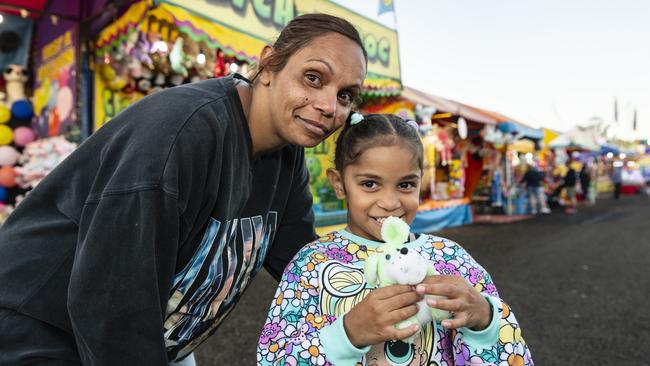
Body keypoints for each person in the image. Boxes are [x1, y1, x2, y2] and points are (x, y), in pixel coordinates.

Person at [0, 13, 367, 365]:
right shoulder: (180, 135)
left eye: (346, 95)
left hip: (147, 340)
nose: (328, 106)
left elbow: (305, 266)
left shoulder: (287, 158)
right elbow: (112, 306)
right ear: (269, 64)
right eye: (314, 78)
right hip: (35, 333)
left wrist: (390, 279)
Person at [256, 114, 533, 365]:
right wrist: (348, 333)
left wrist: (484, 319)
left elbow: (513, 355)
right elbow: (274, 358)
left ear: (420, 183)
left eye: (405, 185)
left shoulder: (452, 258)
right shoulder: (311, 264)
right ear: (339, 183)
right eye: (369, 184)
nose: (390, 203)